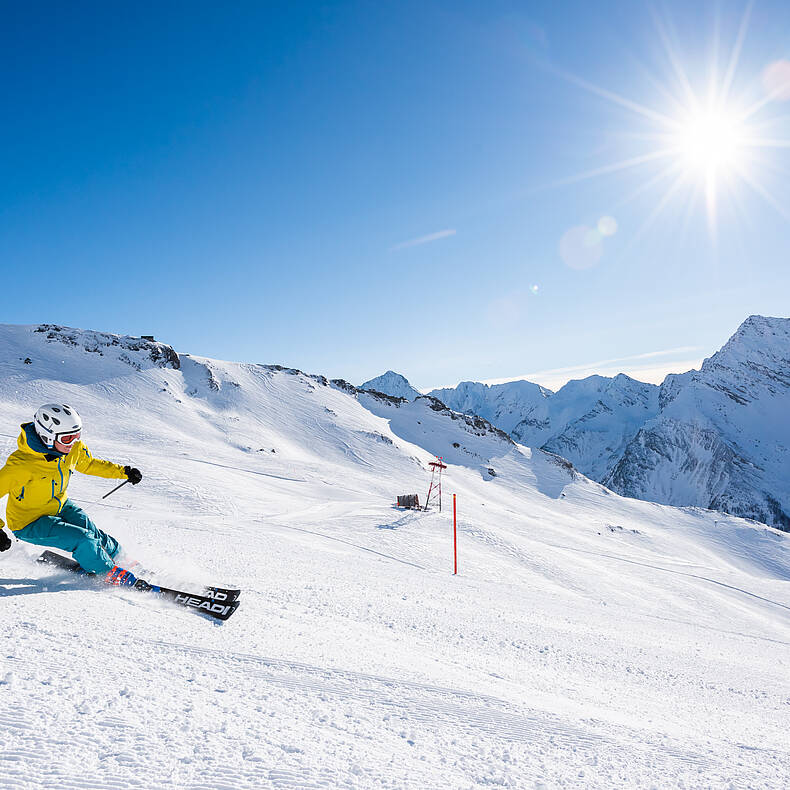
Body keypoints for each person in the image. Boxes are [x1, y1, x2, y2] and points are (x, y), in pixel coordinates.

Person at [0, 403, 142, 578]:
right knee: (83, 539)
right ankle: (109, 574)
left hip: (60, 506)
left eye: (77, 435)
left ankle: (122, 560)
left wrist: (123, 472)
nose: (73, 442)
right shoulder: (21, 465)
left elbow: (88, 463)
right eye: (67, 438)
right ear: (47, 437)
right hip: (29, 523)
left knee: (93, 533)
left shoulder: (71, 448)